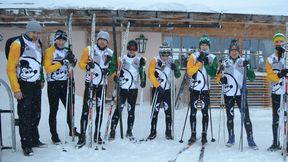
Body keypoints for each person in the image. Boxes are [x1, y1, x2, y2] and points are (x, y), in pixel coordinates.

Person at [6, 20, 46, 156]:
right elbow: (10, 69)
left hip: (36, 85)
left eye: (38, 33)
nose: (36, 35)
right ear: (27, 31)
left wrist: (41, 79)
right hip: (24, 85)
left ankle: (34, 139)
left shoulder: (39, 44)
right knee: (25, 116)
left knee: (36, 113)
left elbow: (39, 64)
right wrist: (16, 89)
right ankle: (26, 144)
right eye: (34, 32)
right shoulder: (18, 45)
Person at [77, 31, 115, 148]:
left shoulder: (110, 52)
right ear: (97, 40)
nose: (102, 41)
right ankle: (83, 135)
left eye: (105, 40)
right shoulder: (89, 50)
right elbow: (81, 63)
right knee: (86, 109)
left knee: (100, 110)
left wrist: (108, 71)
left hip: (102, 85)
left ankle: (96, 133)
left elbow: (113, 67)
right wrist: (87, 66)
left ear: (107, 42)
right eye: (100, 39)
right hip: (90, 84)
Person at [216, 39, 257, 149]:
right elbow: (218, 76)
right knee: (230, 117)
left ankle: (250, 138)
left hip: (241, 94)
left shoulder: (243, 61)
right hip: (228, 94)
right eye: (232, 50)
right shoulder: (224, 62)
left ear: (239, 51)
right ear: (229, 51)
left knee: (246, 117)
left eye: (236, 50)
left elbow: (253, 77)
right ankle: (231, 137)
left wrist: (247, 69)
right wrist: (222, 80)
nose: (234, 52)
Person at [44, 30, 77, 145]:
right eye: (59, 40)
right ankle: (54, 135)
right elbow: (48, 69)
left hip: (65, 83)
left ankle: (72, 129)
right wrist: (62, 62)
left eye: (63, 40)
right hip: (53, 84)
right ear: (55, 40)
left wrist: (73, 61)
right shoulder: (49, 51)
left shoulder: (67, 51)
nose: (61, 42)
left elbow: (72, 64)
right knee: (54, 110)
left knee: (69, 108)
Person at [108, 40, 146, 141]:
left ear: (136, 50)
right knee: (118, 110)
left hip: (133, 89)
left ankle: (129, 131)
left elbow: (142, 73)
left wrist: (143, 80)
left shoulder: (139, 60)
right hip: (123, 89)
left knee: (131, 111)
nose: (132, 51)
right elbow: (114, 71)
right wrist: (115, 76)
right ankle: (112, 130)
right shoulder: (121, 59)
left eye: (134, 49)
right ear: (127, 49)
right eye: (130, 48)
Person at [186, 34, 218, 145]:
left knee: (205, 113)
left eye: (206, 45)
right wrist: (199, 63)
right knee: (193, 113)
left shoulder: (213, 57)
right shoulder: (193, 56)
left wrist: (207, 65)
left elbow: (213, 73)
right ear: (200, 46)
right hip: (194, 88)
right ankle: (193, 134)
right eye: (202, 44)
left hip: (205, 89)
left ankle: (204, 135)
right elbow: (189, 72)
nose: (204, 47)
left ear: (208, 46)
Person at [146, 42, 181, 140]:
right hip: (157, 89)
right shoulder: (155, 60)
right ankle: (153, 131)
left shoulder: (172, 61)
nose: (165, 57)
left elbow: (177, 75)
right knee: (155, 111)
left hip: (167, 90)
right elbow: (150, 74)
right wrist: (157, 86)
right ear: (160, 53)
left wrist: (176, 68)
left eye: (167, 54)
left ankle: (168, 131)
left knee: (168, 111)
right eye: (163, 54)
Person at [265, 32, 287, 151]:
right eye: (277, 41)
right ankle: (275, 142)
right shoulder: (270, 59)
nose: (279, 43)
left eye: (281, 41)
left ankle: (286, 142)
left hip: (286, 91)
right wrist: (278, 74)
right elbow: (269, 75)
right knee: (276, 117)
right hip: (276, 91)